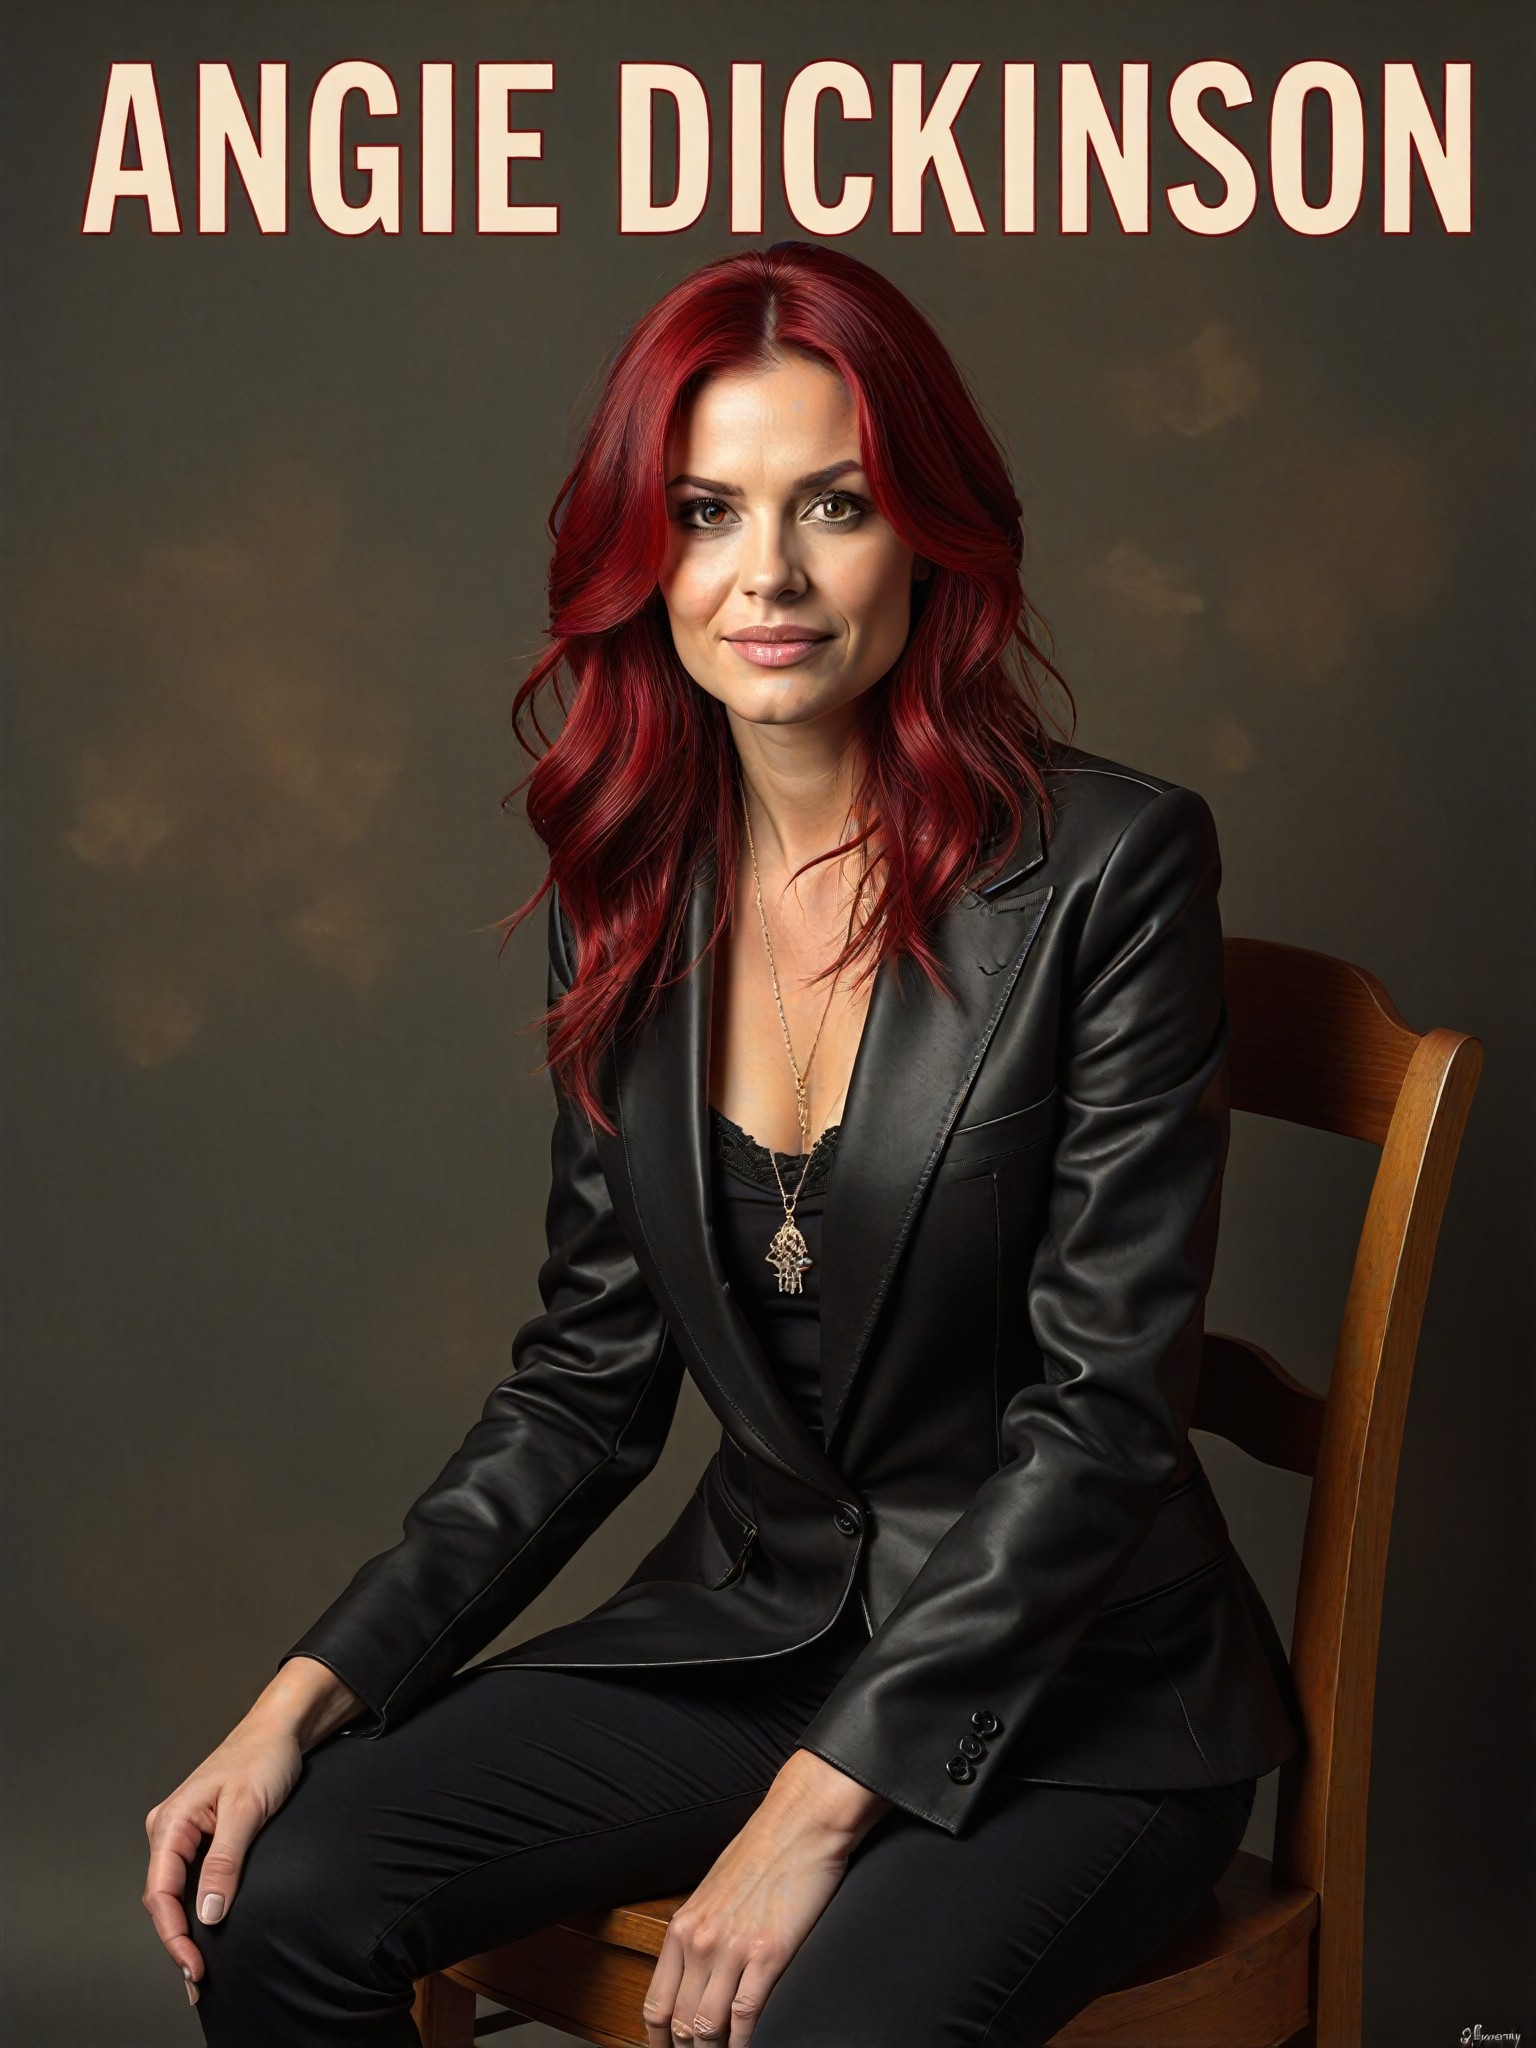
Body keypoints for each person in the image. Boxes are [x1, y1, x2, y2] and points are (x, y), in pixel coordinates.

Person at [141, 242, 1303, 2048]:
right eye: (705, 512)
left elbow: (1102, 1421)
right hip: (757, 1633)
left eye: (834, 503)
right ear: (647, 552)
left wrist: (813, 1810)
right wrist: (308, 1691)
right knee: (282, 1895)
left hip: (1079, 1694)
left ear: (929, 536)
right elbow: (584, 1385)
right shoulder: (627, 889)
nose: (768, 575)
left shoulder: (1112, 871)